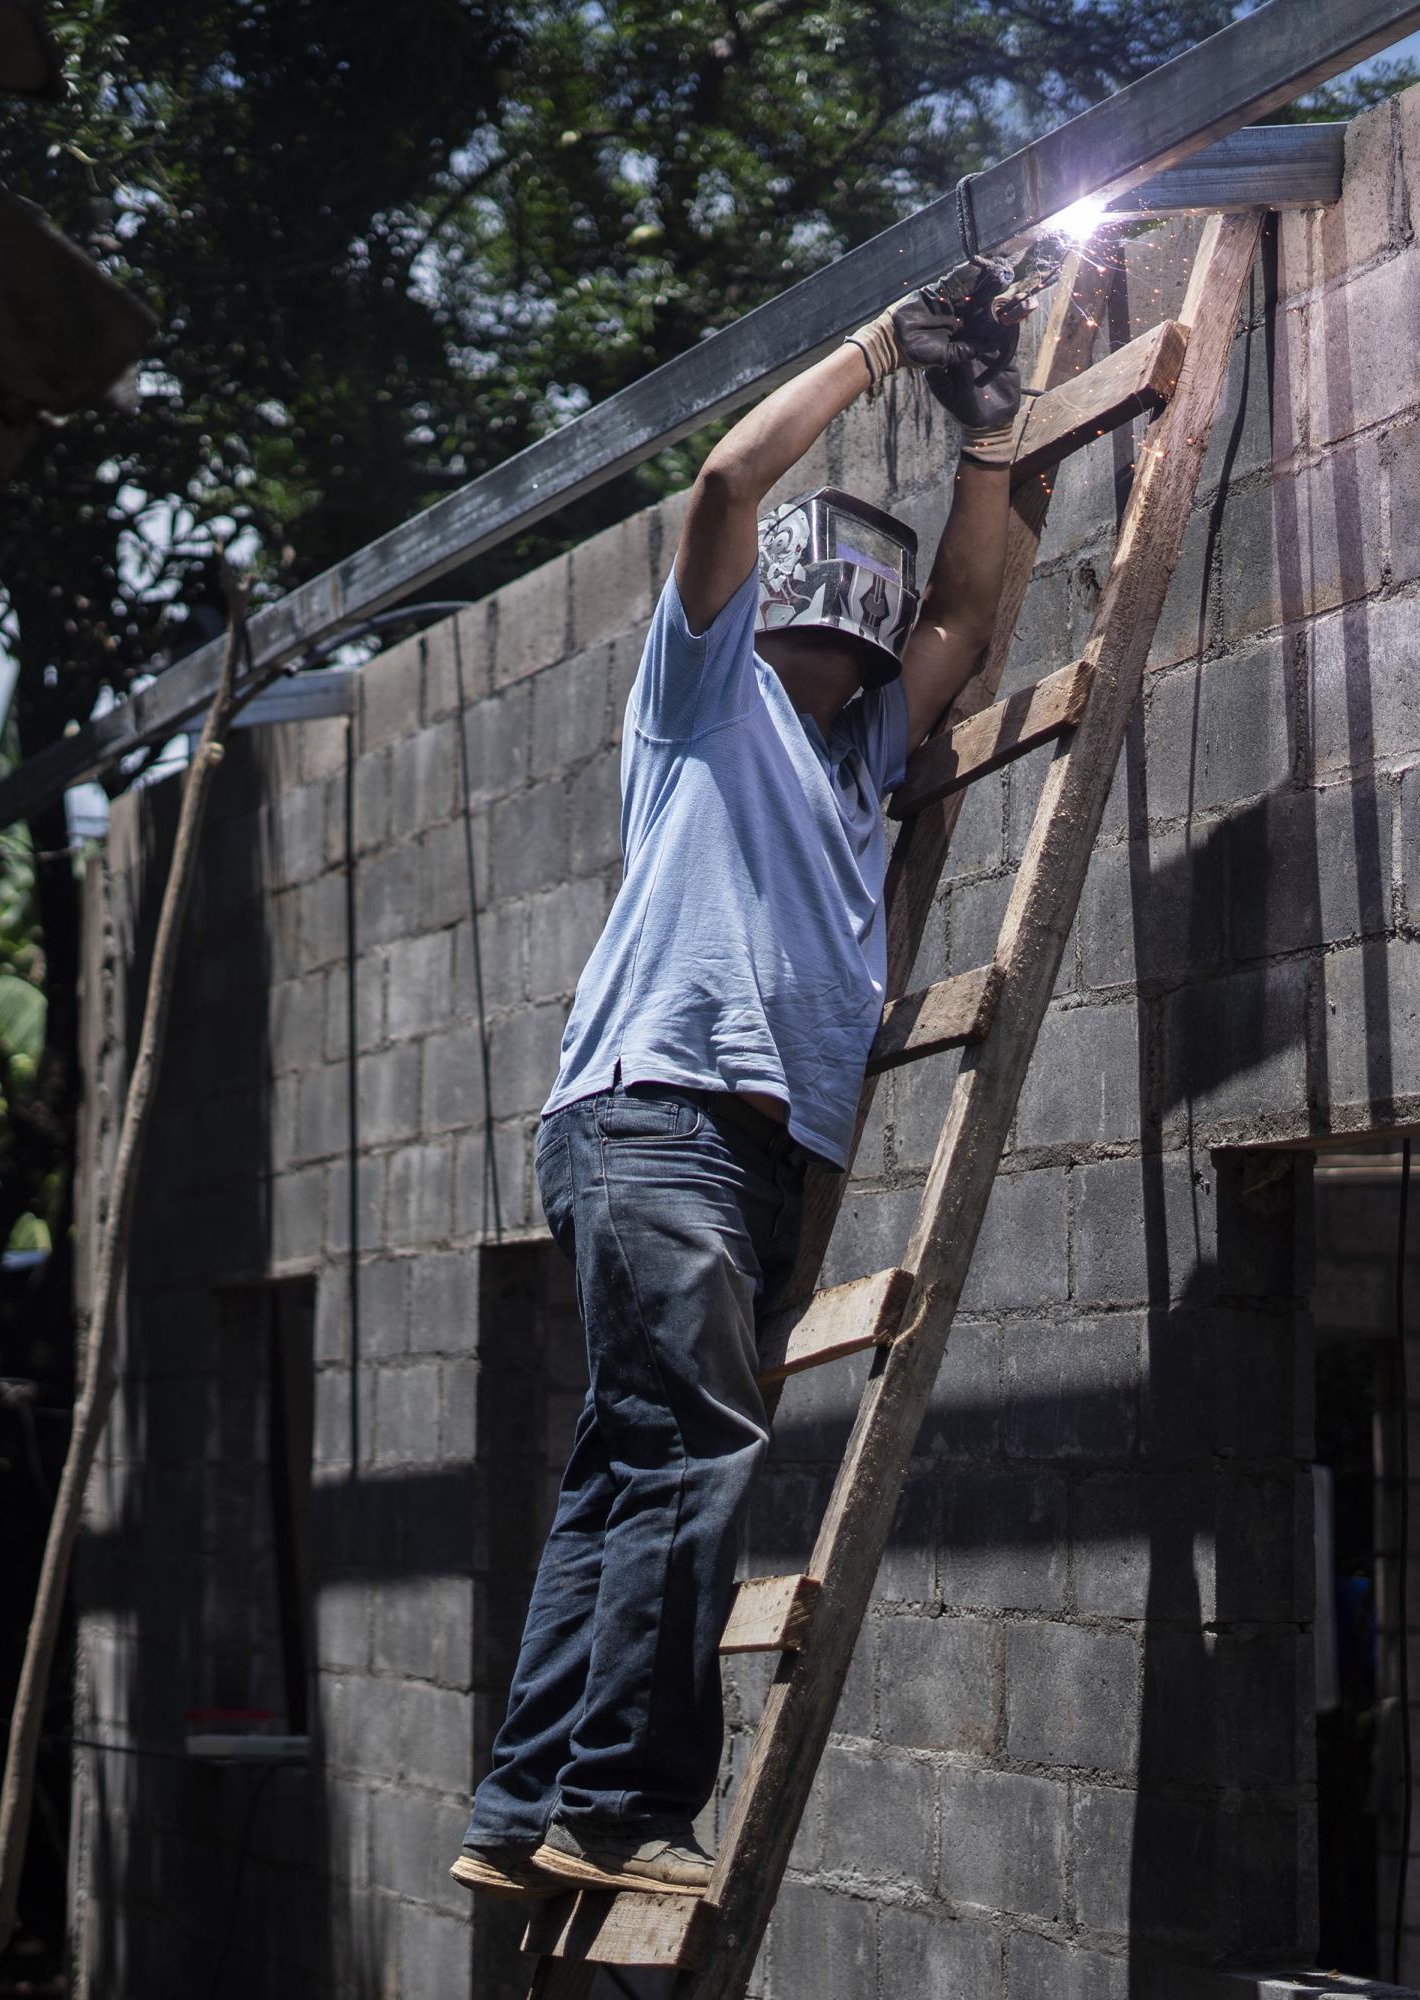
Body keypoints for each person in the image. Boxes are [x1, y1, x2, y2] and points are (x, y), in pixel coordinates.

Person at [452, 258, 1030, 1900]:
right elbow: (720, 479)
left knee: (631, 1458)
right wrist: (874, 347)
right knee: (697, 1445)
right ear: (775, 598)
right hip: (661, 1120)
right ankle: (623, 1812)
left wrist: (986, 438)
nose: (845, 618)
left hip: (736, 1148)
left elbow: (975, 624)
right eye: (823, 588)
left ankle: (518, 1812)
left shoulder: (864, 759)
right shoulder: (703, 695)